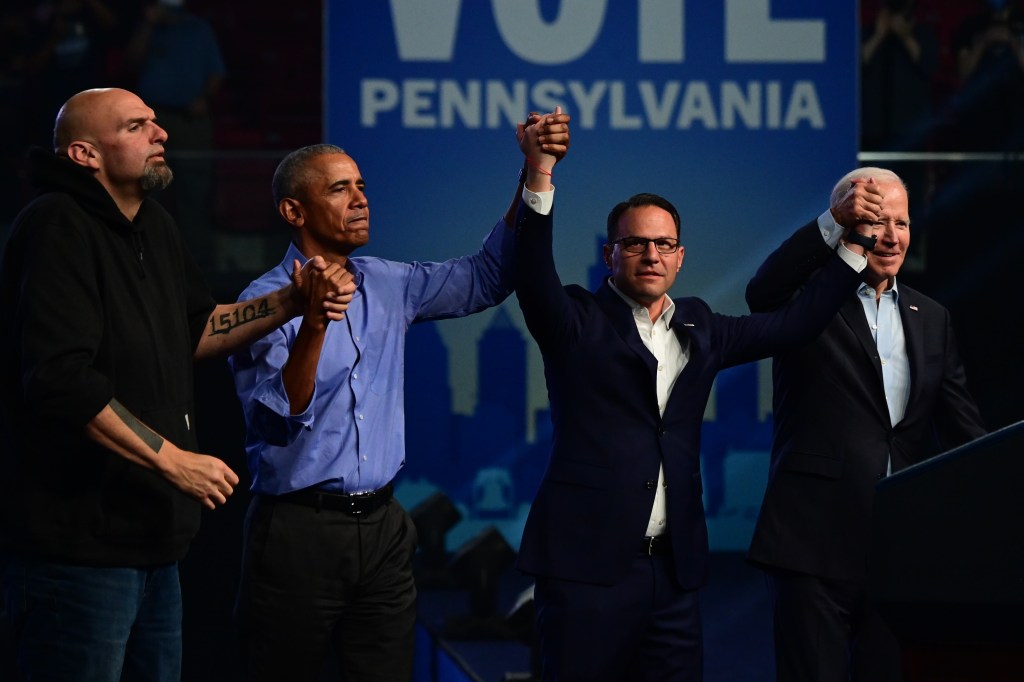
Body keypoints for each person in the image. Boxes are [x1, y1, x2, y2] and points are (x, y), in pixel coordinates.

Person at [0, 87, 345, 681]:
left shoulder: (152, 224)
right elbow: (60, 381)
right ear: (85, 154)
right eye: (137, 126)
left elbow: (196, 329)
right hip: (79, 553)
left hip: (154, 545)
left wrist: (291, 301)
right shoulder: (56, 224)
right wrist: (171, 460)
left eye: (156, 122)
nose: (161, 133)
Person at [227, 109, 571, 681]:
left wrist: (534, 172)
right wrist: (312, 324)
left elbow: (488, 276)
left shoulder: (388, 282)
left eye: (361, 186)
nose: (361, 198)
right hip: (298, 533)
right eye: (340, 189)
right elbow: (279, 420)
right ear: (294, 211)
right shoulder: (259, 304)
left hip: (385, 527)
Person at [512, 173, 871, 680]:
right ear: (611, 253)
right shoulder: (577, 319)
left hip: (674, 578)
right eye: (635, 243)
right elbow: (529, 269)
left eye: (664, 244)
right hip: (585, 573)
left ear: (680, 256)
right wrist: (539, 176)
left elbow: (795, 324)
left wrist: (851, 242)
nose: (651, 255)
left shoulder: (701, 327)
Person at [745, 167, 987, 682]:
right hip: (811, 544)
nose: (892, 236)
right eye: (878, 221)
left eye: (901, 222)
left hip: (898, 551)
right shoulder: (811, 300)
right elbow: (761, 290)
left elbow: (965, 432)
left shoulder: (933, 316)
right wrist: (832, 221)